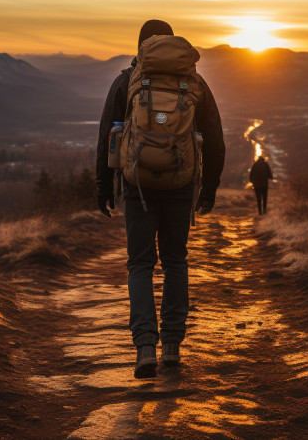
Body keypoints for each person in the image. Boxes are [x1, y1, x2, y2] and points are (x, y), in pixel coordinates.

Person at [96, 19, 225, 379]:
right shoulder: (194, 83)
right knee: (175, 261)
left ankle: (144, 349)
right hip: (180, 185)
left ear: (141, 47)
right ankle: (172, 346)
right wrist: (209, 188)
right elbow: (215, 138)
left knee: (140, 265)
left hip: (137, 185)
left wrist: (103, 185)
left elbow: (107, 135)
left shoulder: (127, 81)